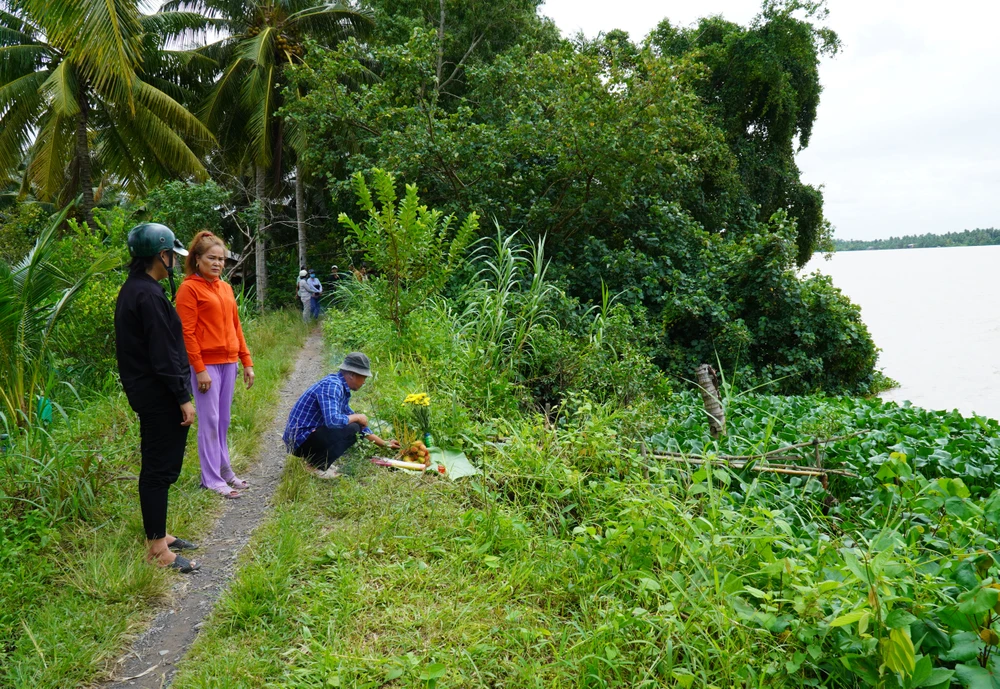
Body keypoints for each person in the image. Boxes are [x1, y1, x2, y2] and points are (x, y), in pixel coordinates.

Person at [114, 222, 199, 573]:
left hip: (151, 392)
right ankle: (157, 550)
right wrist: (183, 396)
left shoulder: (137, 289)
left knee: (160, 466)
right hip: (159, 395)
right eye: (171, 256)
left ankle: (160, 534)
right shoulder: (147, 295)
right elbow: (163, 355)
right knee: (158, 470)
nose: (174, 263)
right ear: (160, 255)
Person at [175, 231, 255, 499]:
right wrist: (199, 369)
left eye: (221, 259)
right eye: (212, 258)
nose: (218, 263)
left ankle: (225, 472)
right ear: (197, 259)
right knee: (209, 421)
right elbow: (186, 333)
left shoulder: (225, 287)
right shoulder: (189, 288)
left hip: (228, 362)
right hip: (206, 365)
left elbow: (236, 326)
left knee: (223, 420)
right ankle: (211, 479)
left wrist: (246, 361)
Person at [283, 352, 400, 478]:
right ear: (352, 375)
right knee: (352, 428)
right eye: (364, 377)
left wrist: (385, 444)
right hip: (299, 440)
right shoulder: (333, 386)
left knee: (355, 425)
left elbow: (359, 425)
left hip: (305, 438)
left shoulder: (339, 387)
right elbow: (333, 421)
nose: (364, 382)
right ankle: (316, 465)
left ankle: (317, 461)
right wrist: (358, 417)